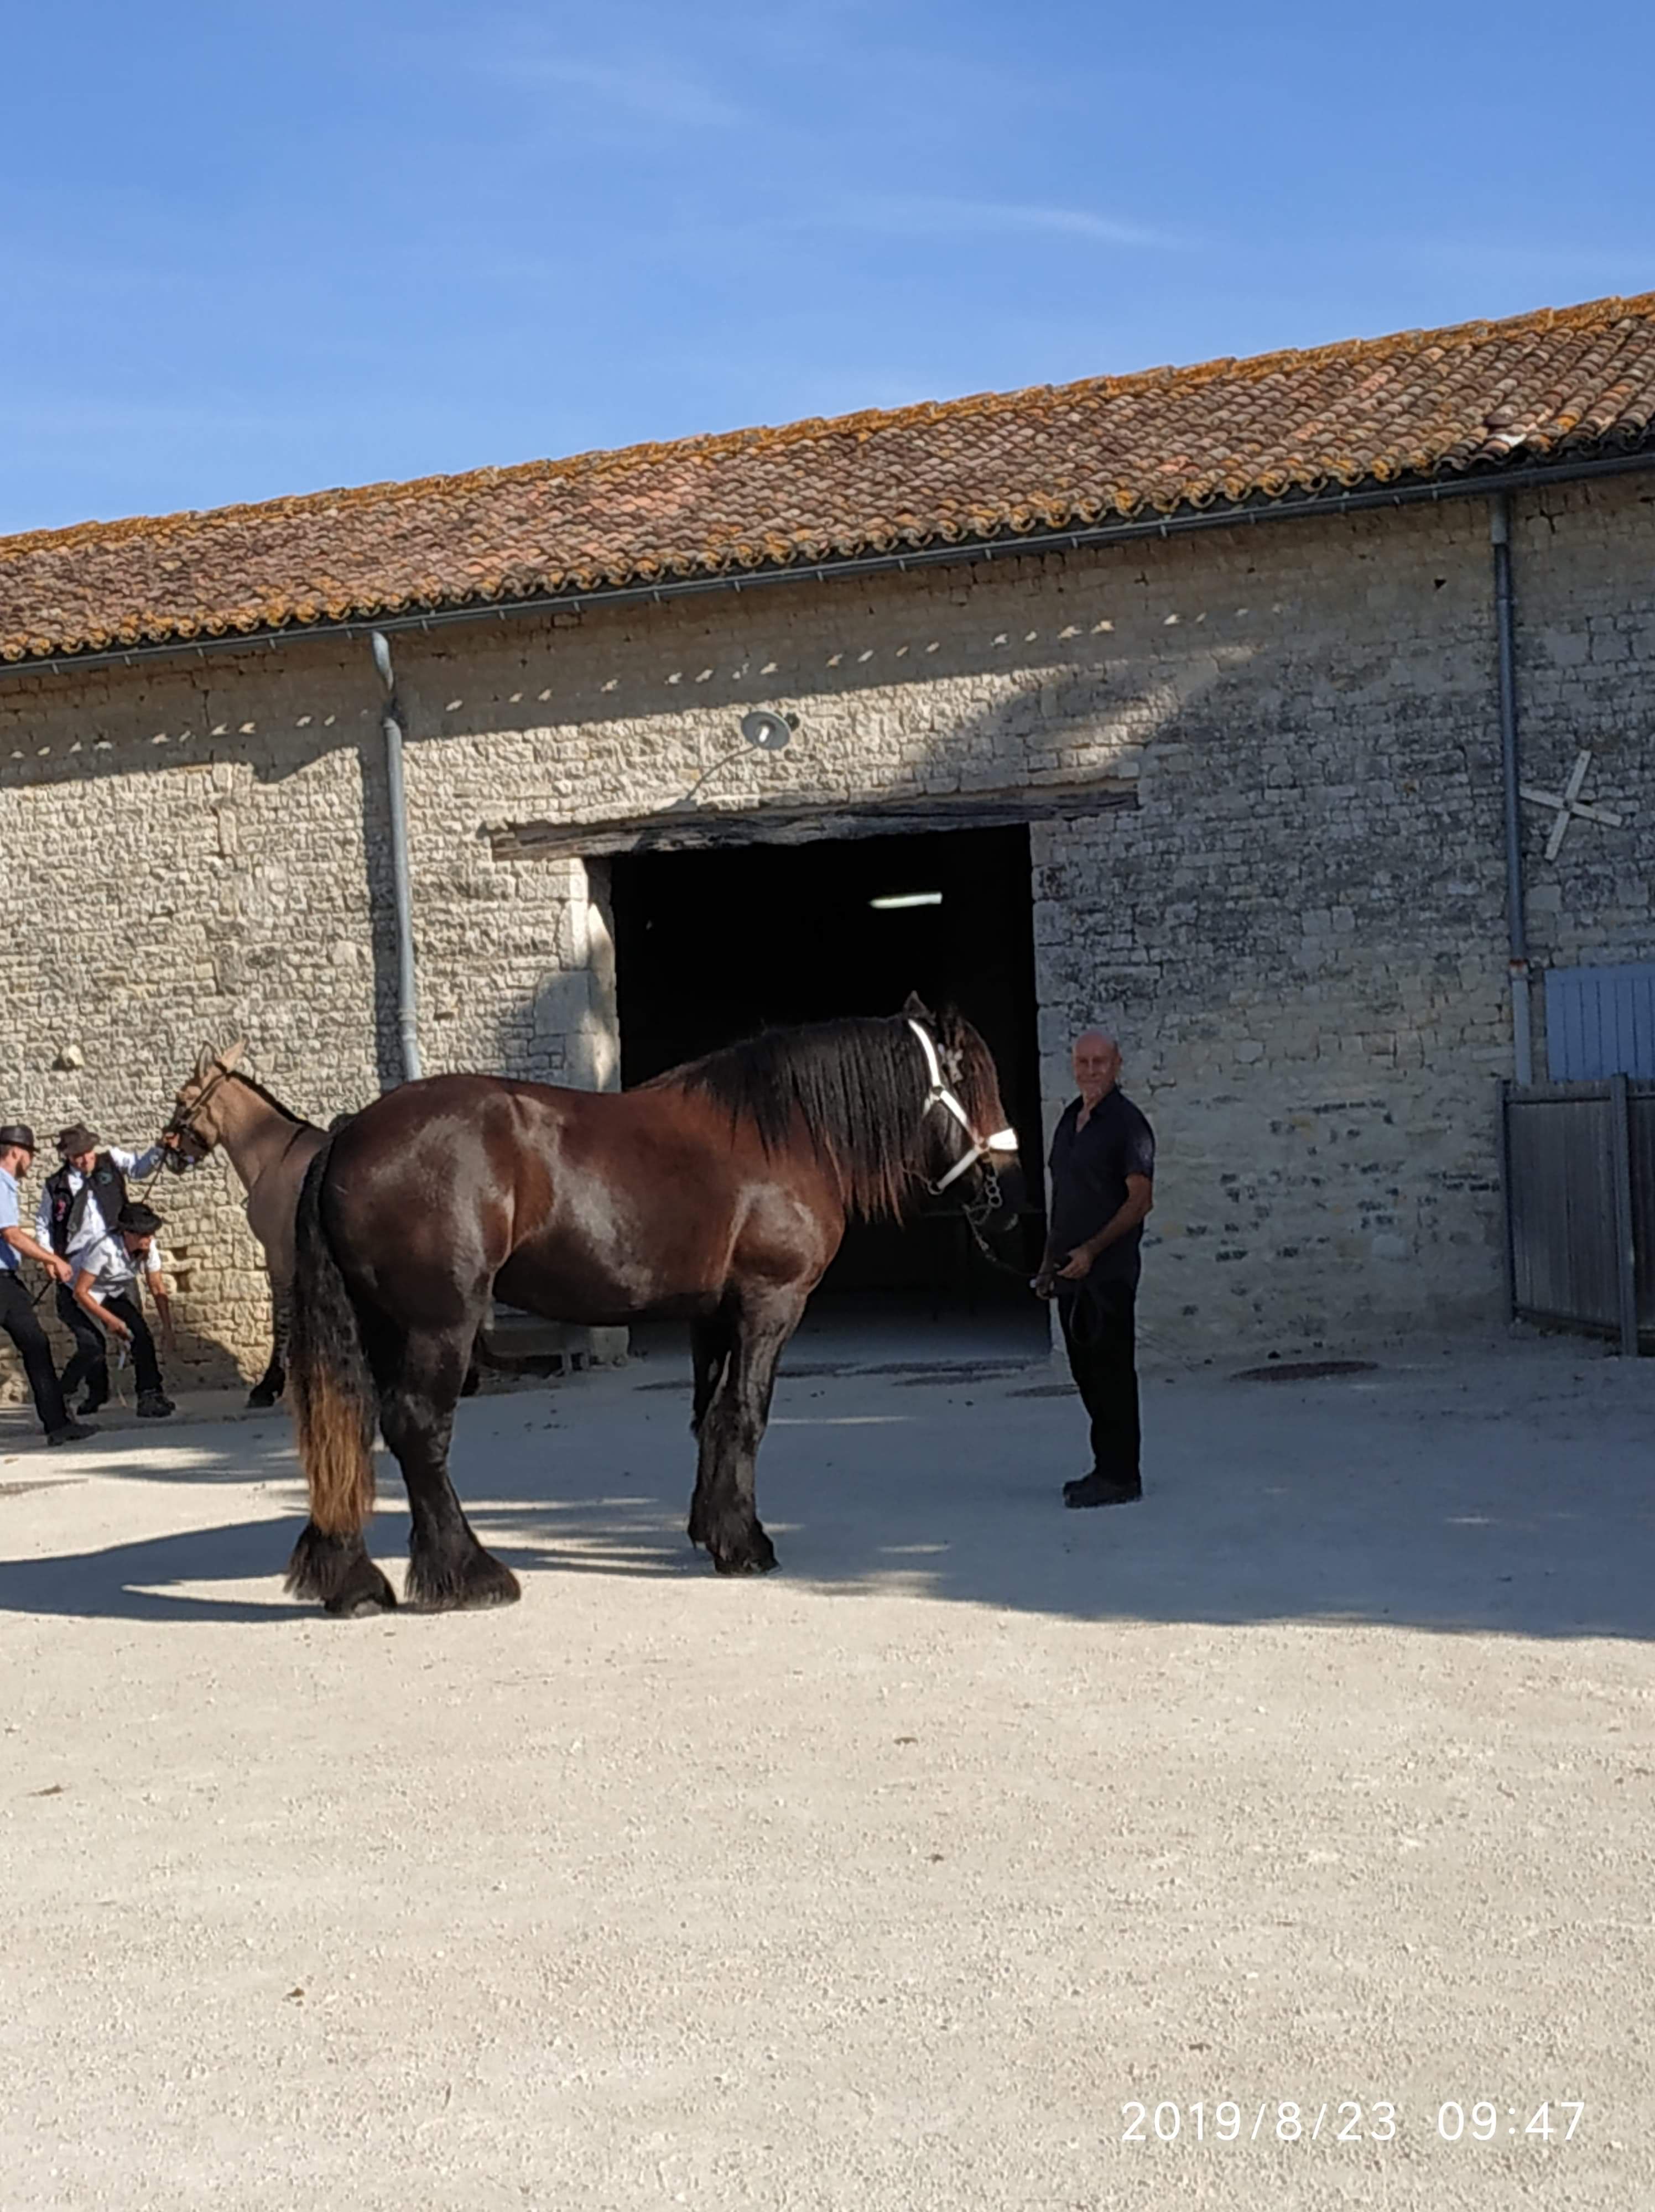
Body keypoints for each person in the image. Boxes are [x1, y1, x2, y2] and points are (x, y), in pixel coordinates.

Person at [1033, 1030, 1154, 1508]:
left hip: (1109, 1274)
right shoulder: (1069, 1121)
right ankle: (1105, 1468)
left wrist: (1092, 1250)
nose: (1090, 1070)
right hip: (1069, 1274)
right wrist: (1049, 1264)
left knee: (1112, 1374)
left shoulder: (1128, 1125)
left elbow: (1141, 1200)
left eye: (1099, 1062)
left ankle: (1123, 1477)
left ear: (1117, 1064)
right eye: (1082, 1062)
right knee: (1086, 1373)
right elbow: (1062, 1199)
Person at [39, 1122, 169, 1416]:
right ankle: (92, 1394)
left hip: (116, 1262)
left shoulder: (112, 1161)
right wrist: (49, 1258)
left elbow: (140, 1167)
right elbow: (44, 1225)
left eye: (87, 1153)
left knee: (137, 1331)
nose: (85, 1160)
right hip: (77, 1270)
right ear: (67, 1157)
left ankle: (150, 1393)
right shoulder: (55, 1186)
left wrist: (159, 1148)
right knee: (92, 1342)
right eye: (77, 1157)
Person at [0, 1123, 96, 1445]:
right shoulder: (1, 1183)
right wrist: (52, 1259)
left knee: (36, 1346)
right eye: (28, 1154)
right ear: (16, 1152)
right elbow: (11, 1234)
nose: (30, 1161)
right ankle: (57, 1425)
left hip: (7, 1282)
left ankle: (57, 1424)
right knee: (36, 1347)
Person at [66, 1201, 176, 1418]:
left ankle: (150, 1394)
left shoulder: (148, 1247)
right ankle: (61, 1397)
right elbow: (81, 1291)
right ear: (126, 1233)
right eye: (142, 1234)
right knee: (92, 1346)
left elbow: (156, 1286)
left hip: (111, 1292)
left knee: (141, 1335)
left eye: (150, 1233)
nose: (148, 1239)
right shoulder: (105, 1249)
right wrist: (111, 1321)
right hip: (76, 1294)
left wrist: (167, 1328)